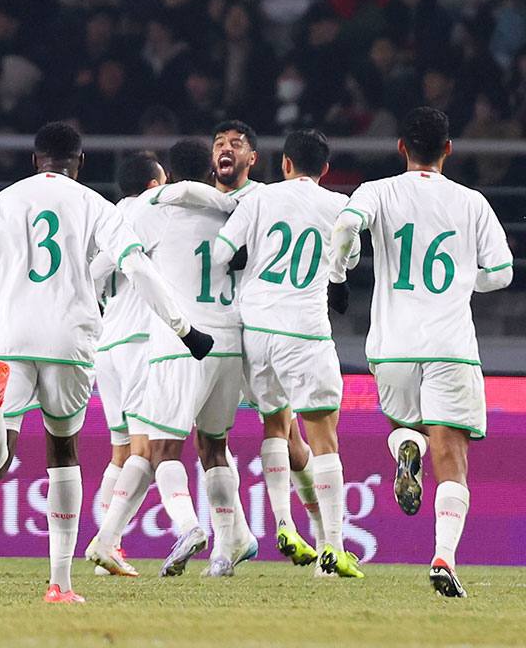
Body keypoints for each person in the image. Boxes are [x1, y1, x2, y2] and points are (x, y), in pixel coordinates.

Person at [0, 128, 211, 600]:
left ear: (36, 159)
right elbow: (137, 266)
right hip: (69, 340)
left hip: (6, 339)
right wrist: (184, 329)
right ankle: (60, 584)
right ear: (81, 160)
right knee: (63, 452)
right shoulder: (96, 205)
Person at [328, 107, 514, 597]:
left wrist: (339, 273)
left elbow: (345, 226)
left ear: (400, 148)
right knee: (452, 458)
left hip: (392, 345)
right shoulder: (471, 202)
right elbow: (503, 272)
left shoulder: (377, 191)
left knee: (403, 427)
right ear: (449, 149)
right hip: (451, 345)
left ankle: (404, 449)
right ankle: (443, 558)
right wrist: (462, 281)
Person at [212, 129, 364, 578]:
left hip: (256, 328)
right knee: (323, 437)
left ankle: (282, 520)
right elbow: (348, 262)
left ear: (283, 164)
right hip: (305, 329)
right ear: (325, 170)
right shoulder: (339, 206)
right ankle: (332, 548)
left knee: (275, 425)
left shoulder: (259, 199)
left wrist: (251, 258)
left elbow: (222, 251)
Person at [94, 140, 249, 579]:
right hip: (230, 340)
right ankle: (225, 551)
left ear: (169, 175)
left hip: (181, 342)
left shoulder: (154, 209)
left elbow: (105, 263)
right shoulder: (231, 210)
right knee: (214, 448)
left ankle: (187, 528)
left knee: (160, 449)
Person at [205, 120, 317, 568]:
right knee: (210, 438)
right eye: (219, 144)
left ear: (254, 158)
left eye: (237, 144)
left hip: (256, 326)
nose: (226, 150)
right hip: (213, 335)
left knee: (289, 437)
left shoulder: (268, 200)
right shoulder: (195, 200)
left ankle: (314, 529)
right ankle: (228, 540)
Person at [82, 151, 167, 576]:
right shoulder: (152, 210)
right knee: (146, 451)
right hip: (137, 342)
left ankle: (107, 551)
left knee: (119, 453)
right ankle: (107, 542)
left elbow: (91, 271)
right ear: (154, 185)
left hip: (107, 343)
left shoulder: (106, 216)